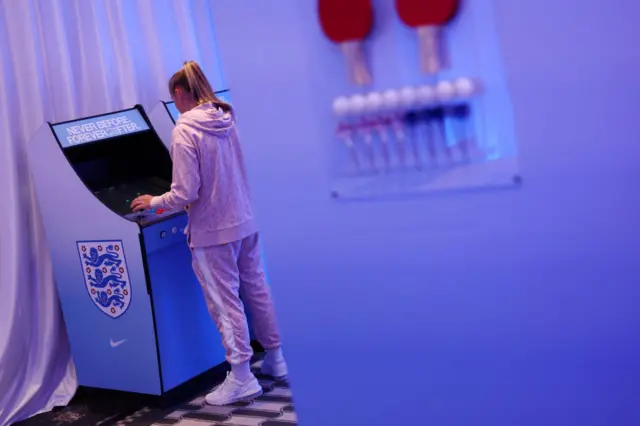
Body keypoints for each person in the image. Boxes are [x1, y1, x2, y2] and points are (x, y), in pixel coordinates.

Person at [131, 61, 287, 406]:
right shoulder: (229, 116)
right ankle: (276, 358)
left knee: (224, 302)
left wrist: (154, 201)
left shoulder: (185, 130)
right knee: (257, 288)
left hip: (213, 230)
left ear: (178, 94)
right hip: (247, 219)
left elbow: (185, 192)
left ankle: (243, 377)